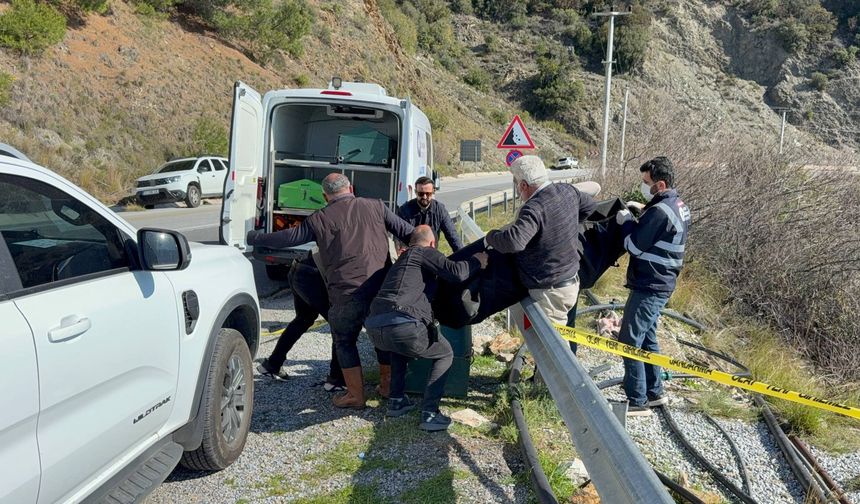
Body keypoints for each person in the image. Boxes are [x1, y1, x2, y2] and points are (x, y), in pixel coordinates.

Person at [247, 173, 414, 409]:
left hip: (346, 293)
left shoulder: (320, 218)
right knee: (382, 338)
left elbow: (288, 237)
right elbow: (409, 233)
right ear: (351, 188)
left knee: (345, 340)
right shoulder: (376, 206)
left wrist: (257, 238)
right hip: (380, 290)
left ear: (325, 196)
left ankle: (355, 396)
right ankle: (387, 387)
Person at [365, 225, 487, 431]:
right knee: (445, 353)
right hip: (403, 323)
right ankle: (430, 413)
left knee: (398, 348)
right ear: (432, 243)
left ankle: (396, 401)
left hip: (375, 327)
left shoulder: (401, 261)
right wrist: (478, 261)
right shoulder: (424, 252)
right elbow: (456, 273)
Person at [614, 156, 691, 416]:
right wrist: (643, 209)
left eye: (646, 182)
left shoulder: (660, 212)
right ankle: (654, 392)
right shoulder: (675, 204)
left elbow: (634, 245)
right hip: (661, 281)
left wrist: (626, 223)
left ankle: (637, 401)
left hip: (651, 283)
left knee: (629, 338)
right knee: (647, 337)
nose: (643, 185)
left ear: (660, 184)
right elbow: (658, 226)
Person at [484, 155, 596, 325]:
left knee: (552, 349)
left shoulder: (533, 208)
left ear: (523, 185)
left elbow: (514, 242)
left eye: (516, 184)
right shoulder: (567, 190)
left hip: (550, 293)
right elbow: (590, 206)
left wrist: (491, 236)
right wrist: (570, 227)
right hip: (570, 280)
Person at [255, 253, 345, 392]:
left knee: (304, 318)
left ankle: (272, 364)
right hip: (314, 274)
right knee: (340, 326)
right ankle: (336, 379)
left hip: (299, 266)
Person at [397, 176, 463, 252]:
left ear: (433, 191)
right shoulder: (405, 210)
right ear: (415, 192)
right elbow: (399, 236)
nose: (424, 197)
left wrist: (462, 257)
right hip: (411, 254)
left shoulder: (440, 210)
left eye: (428, 194)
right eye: (421, 194)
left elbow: (452, 236)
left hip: (432, 254)